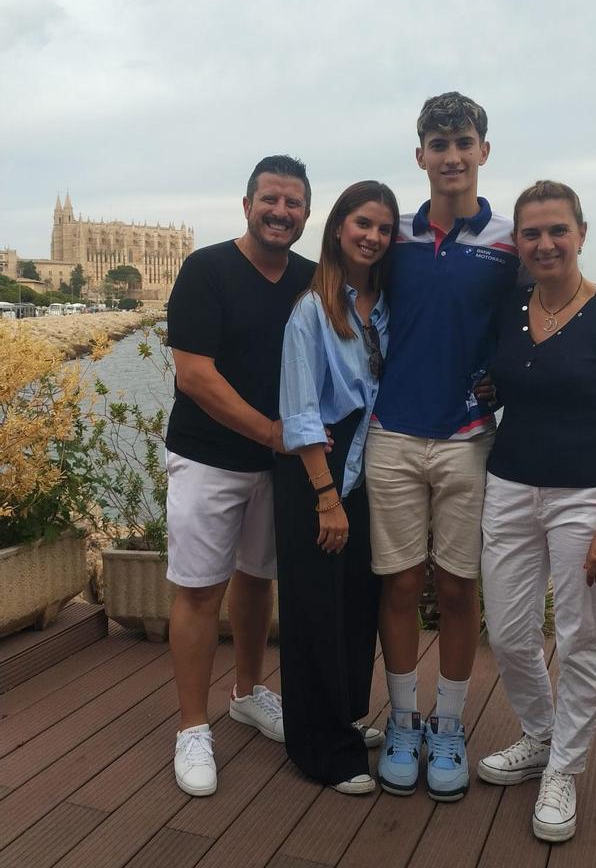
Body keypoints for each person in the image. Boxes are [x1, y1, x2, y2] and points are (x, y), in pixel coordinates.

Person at [365, 92, 596, 803]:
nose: (452, 155)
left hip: (477, 447)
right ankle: (424, 723)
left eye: (464, 142)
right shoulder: (392, 235)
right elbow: (345, 293)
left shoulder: (512, 247)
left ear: (483, 151)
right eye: (438, 143)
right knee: (446, 603)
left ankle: (493, 743)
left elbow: (568, 303)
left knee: (476, 597)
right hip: (424, 445)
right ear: (420, 154)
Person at [477, 181, 596, 842]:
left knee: (583, 637)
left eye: (558, 230)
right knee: (511, 631)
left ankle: (565, 770)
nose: (545, 243)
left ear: (581, 234)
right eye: (533, 233)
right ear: (519, 245)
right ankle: (543, 735)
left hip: (588, 497)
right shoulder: (510, 307)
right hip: (511, 487)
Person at [165, 155, 316, 796]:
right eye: (271, 200)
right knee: (199, 589)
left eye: (294, 203)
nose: (281, 212)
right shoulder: (207, 269)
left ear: (308, 213)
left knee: (258, 582)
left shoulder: (314, 277)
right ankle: (192, 728)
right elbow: (194, 375)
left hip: (277, 468)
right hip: (209, 457)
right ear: (247, 204)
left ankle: (248, 692)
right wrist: (275, 434)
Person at [274, 181, 399, 794]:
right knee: (314, 609)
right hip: (318, 475)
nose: (372, 237)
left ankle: (342, 717)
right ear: (338, 229)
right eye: (362, 224)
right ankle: (317, 743)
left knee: (356, 604)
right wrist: (327, 498)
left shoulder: (384, 305)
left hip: (369, 470)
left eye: (383, 227)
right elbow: (300, 412)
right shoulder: (312, 309)